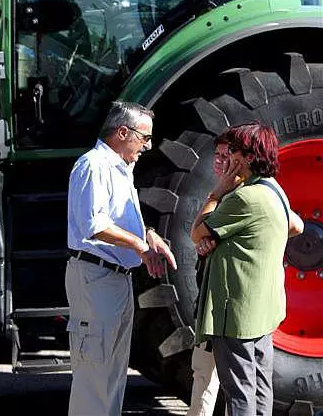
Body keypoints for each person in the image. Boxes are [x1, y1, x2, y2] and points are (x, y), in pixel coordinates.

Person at [66, 100, 177, 416]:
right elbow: (95, 225)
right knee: (95, 377)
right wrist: (141, 248)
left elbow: (118, 219)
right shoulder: (94, 165)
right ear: (122, 132)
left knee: (111, 376)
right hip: (97, 277)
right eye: (145, 137)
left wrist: (148, 234)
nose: (149, 145)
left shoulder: (119, 167)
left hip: (112, 278)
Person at [190, 123, 303, 416]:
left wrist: (216, 193)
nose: (226, 159)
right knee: (261, 384)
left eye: (232, 152)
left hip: (236, 314)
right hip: (263, 311)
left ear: (248, 157)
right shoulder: (273, 189)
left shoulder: (243, 197)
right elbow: (293, 225)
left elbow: (196, 233)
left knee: (238, 391)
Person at [187, 135, 230, 416]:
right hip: (210, 302)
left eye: (227, 157)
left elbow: (197, 231)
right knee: (203, 374)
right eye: (217, 155)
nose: (219, 162)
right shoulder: (219, 195)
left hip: (228, 306)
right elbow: (200, 237)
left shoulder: (239, 197)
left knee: (231, 382)